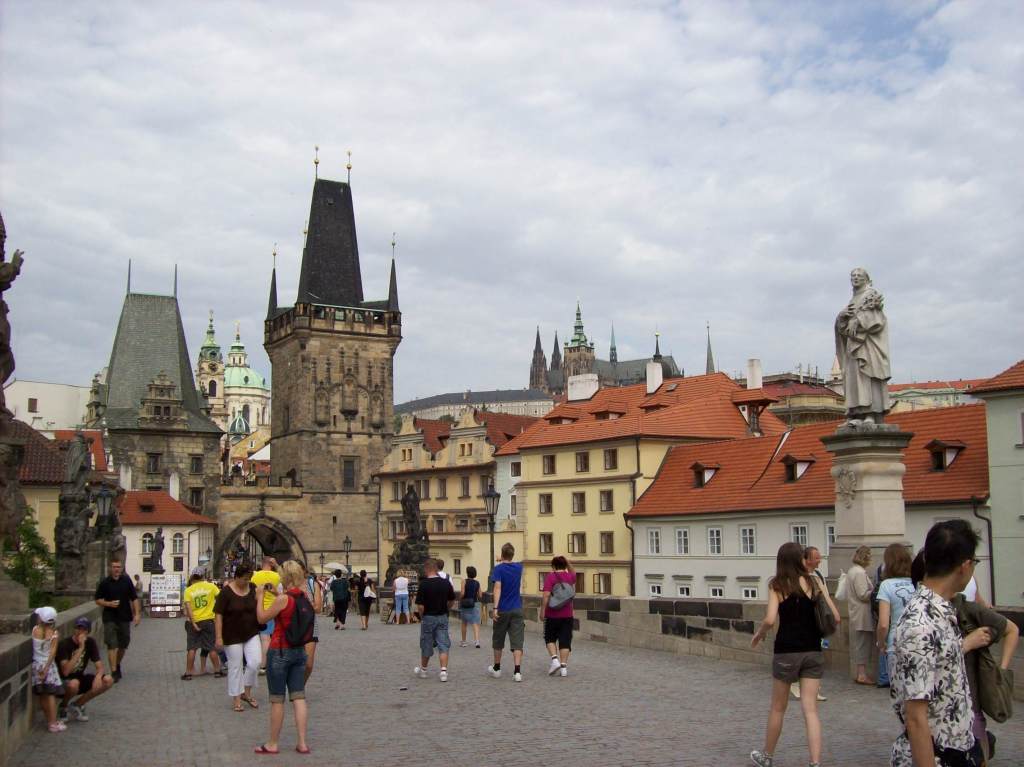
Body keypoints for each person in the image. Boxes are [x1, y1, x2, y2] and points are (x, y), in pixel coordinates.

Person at [890, 520, 988, 766]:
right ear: (965, 566)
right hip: (938, 756)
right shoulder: (920, 624)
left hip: (958, 748)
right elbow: (915, 717)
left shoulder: (941, 611)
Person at [750, 542, 840, 767]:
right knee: (811, 709)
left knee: (778, 707)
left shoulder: (777, 584)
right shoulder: (814, 581)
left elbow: (770, 619)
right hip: (813, 649)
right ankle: (815, 762)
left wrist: (760, 634)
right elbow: (836, 616)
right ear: (800, 559)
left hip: (787, 651)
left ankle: (767, 757)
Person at [952, 585, 1019, 763]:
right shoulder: (921, 612)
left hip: (970, 702)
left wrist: (1001, 671)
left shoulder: (967, 609)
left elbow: (1011, 629)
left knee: (977, 750)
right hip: (938, 709)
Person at [255, 560, 312, 755]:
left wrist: (261, 596)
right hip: (299, 651)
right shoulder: (303, 597)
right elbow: (289, 606)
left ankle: (272, 743)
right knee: (299, 696)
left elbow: (262, 618)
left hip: (280, 651)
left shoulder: (283, 600)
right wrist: (276, 595)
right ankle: (302, 743)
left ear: (284, 577)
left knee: (277, 699)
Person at [834, 266, 891, 423]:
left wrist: (859, 320)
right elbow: (844, 329)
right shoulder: (853, 299)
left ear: (866, 279)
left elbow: (877, 319)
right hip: (853, 346)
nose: (855, 277)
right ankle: (857, 413)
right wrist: (841, 317)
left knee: (868, 377)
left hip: (868, 346)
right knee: (854, 379)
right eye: (853, 275)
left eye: (859, 275)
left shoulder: (871, 294)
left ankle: (871, 413)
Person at [214, 563, 261, 713]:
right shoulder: (226, 593)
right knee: (235, 666)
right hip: (231, 634)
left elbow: (259, 604)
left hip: (251, 631)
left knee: (255, 662)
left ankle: (246, 691)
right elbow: (218, 615)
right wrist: (218, 636)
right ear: (237, 577)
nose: (247, 582)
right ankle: (237, 699)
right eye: (244, 579)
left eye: (249, 579)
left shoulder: (252, 587)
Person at [56, 616, 113, 723]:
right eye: (78, 628)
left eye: (84, 629)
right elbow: (66, 671)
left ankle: (77, 704)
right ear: (74, 629)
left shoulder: (90, 642)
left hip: (79, 678)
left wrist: (98, 676)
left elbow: (99, 665)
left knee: (108, 680)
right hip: (62, 681)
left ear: (88, 632)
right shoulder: (64, 644)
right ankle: (63, 707)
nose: (80, 632)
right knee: (74, 684)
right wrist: (81, 648)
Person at [875, 544, 915, 693]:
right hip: (918, 641)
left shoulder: (886, 585)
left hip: (896, 641)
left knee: (899, 693)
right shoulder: (917, 583)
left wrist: (881, 643)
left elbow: (883, 623)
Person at [791, 546, 829, 703]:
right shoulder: (799, 578)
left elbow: (824, 597)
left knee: (816, 656)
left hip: (817, 621)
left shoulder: (818, 575)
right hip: (803, 624)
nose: (820, 560)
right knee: (804, 655)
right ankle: (796, 684)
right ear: (806, 560)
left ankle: (814, 688)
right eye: (816, 557)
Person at [93, 558, 140, 682]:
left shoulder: (126, 581)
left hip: (124, 617)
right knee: (112, 644)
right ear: (110, 568)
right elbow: (97, 600)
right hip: (110, 617)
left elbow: (134, 598)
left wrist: (137, 614)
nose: (116, 569)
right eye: (114, 567)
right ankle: (114, 671)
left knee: (123, 644)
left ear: (121, 568)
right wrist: (108, 603)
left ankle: (117, 664)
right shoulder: (105, 582)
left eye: (118, 567)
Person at [412, 559, 456, 682]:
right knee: (443, 643)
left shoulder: (424, 584)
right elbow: (452, 600)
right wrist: (447, 608)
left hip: (428, 617)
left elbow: (420, 606)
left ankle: (424, 670)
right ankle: (443, 671)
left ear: (426, 569)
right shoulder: (445, 583)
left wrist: (422, 616)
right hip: (442, 616)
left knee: (426, 643)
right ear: (436, 569)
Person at [487, 542, 525, 682]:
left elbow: (497, 587)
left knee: (498, 639)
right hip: (517, 608)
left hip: (503, 609)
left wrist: (495, 608)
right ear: (512, 555)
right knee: (517, 641)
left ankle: (497, 668)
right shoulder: (518, 567)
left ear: (502, 555)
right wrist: (503, 558)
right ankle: (517, 672)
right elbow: (515, 561)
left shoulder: (498, 569)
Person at [182, 568, 223, 680]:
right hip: (209, 620)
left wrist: (194, 623)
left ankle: (188, 673)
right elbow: (221, 599)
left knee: (192, 648)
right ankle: (217, 671)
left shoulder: (188, 590)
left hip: (193, 621)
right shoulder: (211, 587)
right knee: (211, 647)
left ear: (192, 576)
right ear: (203, 576)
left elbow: (188, 609)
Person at [31, 606, 66, 733]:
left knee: (42, 694)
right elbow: (52, 653)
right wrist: (46, 668)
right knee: (50, 694)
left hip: (36, 665)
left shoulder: (34, 630)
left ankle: (49, 721)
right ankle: (53, 722)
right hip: (48, 666)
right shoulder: (54, 634)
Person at [541, 556, 576, 677]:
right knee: (565, 640)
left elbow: (546, 595)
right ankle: (564, 668)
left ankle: (555, 660)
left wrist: (542, 611)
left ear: (553, 566)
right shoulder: (570, 576)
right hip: (567, 614)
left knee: (549, 637)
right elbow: (573, 571)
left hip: (552, 614)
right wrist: (567, 561)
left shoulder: (551, 577)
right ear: (565, 565)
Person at [846, 545, 875, 685]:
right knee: (863, 644)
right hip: (862, 613)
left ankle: (860, 673)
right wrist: (875, 591)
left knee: (859, 644)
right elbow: (863, 594)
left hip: (856, 611)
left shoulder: (852, 570)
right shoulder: (859, 573)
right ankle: (862, 674)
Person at [251, 556, 281, 675]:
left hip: (256, 608)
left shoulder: (254, 575)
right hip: (271, 609)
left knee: (256, 638)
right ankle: (264, 665)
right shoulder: (276, 576)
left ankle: (254, 662)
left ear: (262, 563)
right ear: (271, 564)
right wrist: (277, 565)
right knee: (266, 638)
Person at [301, 563, 323, 683]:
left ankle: (300, 685)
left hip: (310, 627)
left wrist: (305, 602)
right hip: (293, 628)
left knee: (308, 665)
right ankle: (296, 688)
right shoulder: (288, 586)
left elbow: (318, 608)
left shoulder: (312, 584)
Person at [458, 565, 481, 648]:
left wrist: (459, 598)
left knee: (464, 623)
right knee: (475, 623)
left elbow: (462, 593)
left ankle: (464, 642)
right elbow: (480, 595)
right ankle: (477, 641)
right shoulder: (477, 583)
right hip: (474, 604)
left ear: (467, 573)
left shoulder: (464, 581)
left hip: (465, 604)